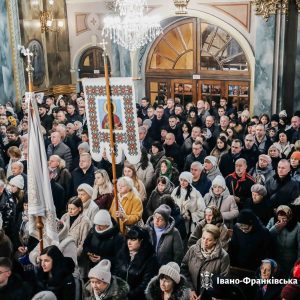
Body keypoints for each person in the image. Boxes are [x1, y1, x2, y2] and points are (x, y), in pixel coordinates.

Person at [181, 224, 230, 300]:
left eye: (209, 240)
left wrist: (205, 295)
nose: (204, 242)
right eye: (203, 238)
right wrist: (190, 289)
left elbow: (223, 280)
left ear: (215, 241)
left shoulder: (223, 256)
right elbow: (183, 269)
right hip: (190, 293)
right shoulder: (192, 249)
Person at [113, 226, 159, 300]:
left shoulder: (151, 259)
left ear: (142, 241)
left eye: (133, 239)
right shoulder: (122, 254)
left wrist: (128, 295)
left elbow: (145, 284)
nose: (129, 242)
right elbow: (115, 274)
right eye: (128, 238)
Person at [266, 205, 300, 278]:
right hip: (275, 259)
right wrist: (275, 229)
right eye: (280, 218)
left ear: (289, 217)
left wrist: (297, 265)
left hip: (290, 261)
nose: (282, 221)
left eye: (284, 219)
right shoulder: (273, 221)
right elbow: (265, 237)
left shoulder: (297, 226)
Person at [171, 172, 205, 236]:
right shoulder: (175, 191)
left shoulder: (196, 193)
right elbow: (171, 205)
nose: (182, 182)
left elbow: (202, 211)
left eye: (185, 180)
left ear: (189, 181)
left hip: (190, 224)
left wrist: (191, 215)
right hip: (176, 222)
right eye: (181, 180)